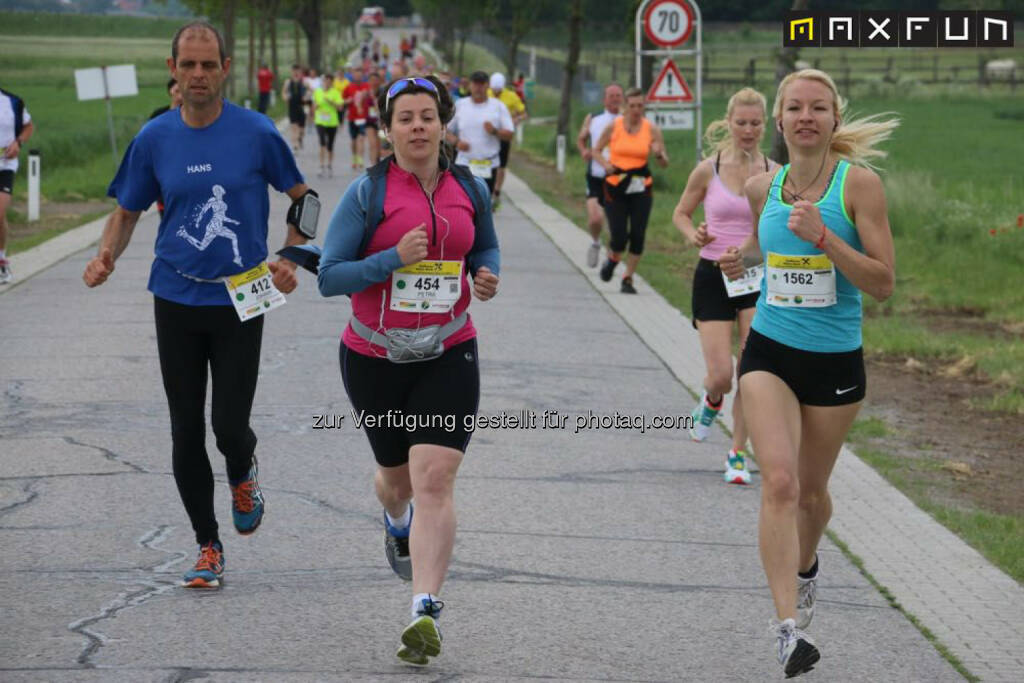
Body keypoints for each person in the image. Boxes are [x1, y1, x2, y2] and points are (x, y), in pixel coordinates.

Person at [82, 21, 317, 589]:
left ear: (225, 68)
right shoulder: (155, 138)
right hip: (176, 294)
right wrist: (106, 255)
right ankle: (207, 545)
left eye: (208, 65)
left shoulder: (257, 132)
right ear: (173, 70)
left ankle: (243, 470)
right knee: (185, 427)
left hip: (243, 295)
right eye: (188, 65)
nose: (198, 75)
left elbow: (304, 198)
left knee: (228, 425)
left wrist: (291, 256)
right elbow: (128, 210)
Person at [719, 69, 897, 677]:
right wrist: (742, 256)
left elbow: (882, 283)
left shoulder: (860, 186)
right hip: (769, 348)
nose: (805, 117)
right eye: (794, 107)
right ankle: (787, 630)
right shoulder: (759, 186)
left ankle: (807, 564)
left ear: (834, 119)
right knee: (780, 483)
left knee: (813, 498)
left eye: (818, 108)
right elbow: (770, 245)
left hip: (835, 360)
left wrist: (824, 235)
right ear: (778, 119)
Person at [317, 75, 499, 666]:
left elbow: (486, 246)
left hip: (450, 348)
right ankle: (395, 520)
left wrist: (485, 275)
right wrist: (390, 260)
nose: (418, 127)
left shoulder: (470, 186)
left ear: (444, 125)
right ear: (388, 128)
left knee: (435, 476)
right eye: (406, 118)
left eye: (428, 117)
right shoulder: (368, 194)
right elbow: (329, 276)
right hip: (375, 357)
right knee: (397, 482)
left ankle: (424, 610)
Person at [672, 88, 777, 484]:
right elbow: (681, 213)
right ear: (729, 123)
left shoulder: (774, 171)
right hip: (713, 274)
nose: (748, 130)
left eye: (755, 123)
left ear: (764, 125)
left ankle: (737, 453)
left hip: (755, 274)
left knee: (751, 372)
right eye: (741, 123)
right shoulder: (708, 168)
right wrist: (693, 234)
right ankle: (712, 398)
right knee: (722, 374)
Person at [593, 87, 669, 294]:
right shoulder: (614, 126)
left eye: (640, 106)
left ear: (645, 106)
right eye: (632, 105)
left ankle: (628, 278)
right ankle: (613, 259)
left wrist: (659, 155)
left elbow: (664, 163)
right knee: (619, 236)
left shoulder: (651, 129)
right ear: (625, 106)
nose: (636, 110)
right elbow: (596, 150)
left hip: (640, 184)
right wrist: (605, 164)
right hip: (616, 183)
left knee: (638, 233)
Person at [446, 71, 513, 204]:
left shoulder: (498, 106)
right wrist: (456, 142)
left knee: (483, 205)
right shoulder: (460, 105)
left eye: (482, 84)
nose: (478, 88)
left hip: (488, 165)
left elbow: (510, 134)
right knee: (464, 203)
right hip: (464, 163)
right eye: (475, 84)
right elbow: (444, 131)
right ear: (470, 86)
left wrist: (494, 131)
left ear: (487, 86)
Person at [575, 83, 623, 267]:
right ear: (604, 99)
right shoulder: (593, 118)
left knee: (614, 224)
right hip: (596, 176)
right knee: (595, 218)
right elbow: (581, 138)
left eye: (618, 96)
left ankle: (611, 257)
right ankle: (595, 242)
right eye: (611, 96)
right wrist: (584, 150)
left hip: (618, 178)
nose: (615, 99)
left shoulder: (626, 120)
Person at [0, 85, 34, 285]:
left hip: (5, 163)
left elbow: (28, 126)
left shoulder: (12, 101)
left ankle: (1, 259)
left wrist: (18, 143)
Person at [488, 72, 527, 211]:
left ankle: (497, 191)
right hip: (488, 135)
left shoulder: (511, 96)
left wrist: (516, 120)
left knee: (501, 165)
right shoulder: (486, 93)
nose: (496, 93)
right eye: (494, 90)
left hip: (504, 134)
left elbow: (523, 113)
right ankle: (486, 188)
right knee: (487, 161)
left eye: (498, 91)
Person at [313, 71, 344, 177]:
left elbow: (340, 107)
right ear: (323, 81)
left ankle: (329, 165)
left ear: (332, 83)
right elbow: (314, 105)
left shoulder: (335, 92)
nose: (327, 83)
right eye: (325, 81)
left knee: (330, 145)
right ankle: (321, 165)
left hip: (332, 122)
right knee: (322, 143)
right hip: (320, 121)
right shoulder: (317, 92)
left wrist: (331, 102)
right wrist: (315, 106)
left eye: (329, 81)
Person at [343, 65, 371, 169]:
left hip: (363, 117)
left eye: (360, 75)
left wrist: (365, 95)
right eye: (356, 75)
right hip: (352, 117)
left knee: (361, 138)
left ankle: (360, 159)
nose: (358, 77)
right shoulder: (348, 87)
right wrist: (348, 101)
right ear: (353, 76)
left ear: (362, 75)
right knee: (354, 140)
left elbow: (369, 95)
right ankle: (354, 157)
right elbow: (343, 101)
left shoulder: (366, 86)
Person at [282, 64, 308, 150]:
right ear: (292, 72)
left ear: (300, 72)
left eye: (298, 71)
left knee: (302, 130)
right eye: (294, 71)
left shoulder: (304, 82)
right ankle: (295, 145)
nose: (296, 73)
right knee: (294, 127)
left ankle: (299, 138)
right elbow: (284, 93)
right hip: (292, 107)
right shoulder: (288, 82)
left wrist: (306, 96)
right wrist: (286, 97)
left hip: (302, 107)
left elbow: (311, 91)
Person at [364, 71, 384, 166]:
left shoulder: (382, 92)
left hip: (380, 122)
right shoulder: (366, 92)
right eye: (371, 80)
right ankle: (373, 166)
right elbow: (359, 105)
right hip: (369, 121)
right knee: (372, 144)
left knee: (379, 146)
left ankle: (378, 161)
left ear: (379, 81)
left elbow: (380, 107)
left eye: (376, 80)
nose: (373, 82)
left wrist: (374, 99)